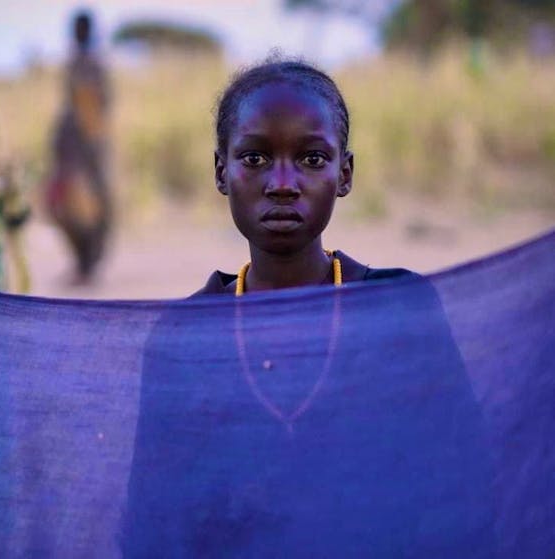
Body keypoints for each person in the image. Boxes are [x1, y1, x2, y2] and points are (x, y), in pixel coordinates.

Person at [122, 57, 495, 556]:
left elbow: (463, 484)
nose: (281, 182)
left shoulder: (397, 311)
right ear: (220, 172)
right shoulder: (185, 338)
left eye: (312, 159)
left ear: (345, 173)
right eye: (254, 158)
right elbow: (153, 526)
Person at [44, 9, 112, 283]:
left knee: (80, 208)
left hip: (84, 150)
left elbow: (90, 112)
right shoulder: (79, 63)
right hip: (77, 148)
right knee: (65, 206)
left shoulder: (87, 66)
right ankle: (84, 263)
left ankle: (87, 264)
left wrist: (81, 153)